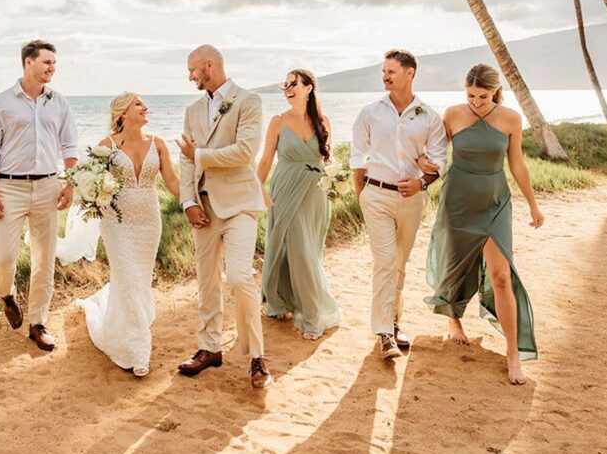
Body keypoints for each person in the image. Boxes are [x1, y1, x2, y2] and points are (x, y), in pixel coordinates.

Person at [422, 63, 544, 385]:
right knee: (455, 265)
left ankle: (513, 354)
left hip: (494, 203)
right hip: (458, 200)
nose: (476, 101)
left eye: (482, 96)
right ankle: (453, 322)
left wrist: (532, 204)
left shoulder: (511, 119)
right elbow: (436, 154)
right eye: (470, 95)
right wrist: (424, 166)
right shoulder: (452, 115)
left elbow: (516, 163)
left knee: (502, 275)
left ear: (495, 91)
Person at [176, 45, 273, 389]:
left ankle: (257, 357)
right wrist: (188, 201)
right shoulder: (192, 111)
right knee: (206, 280)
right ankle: (209, 347)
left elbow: (246, 152)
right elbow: (186, 163)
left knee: (238, 277)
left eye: (192, 70)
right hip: (203, 207)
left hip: (240, 205)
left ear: (209, 65)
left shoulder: (249, 101)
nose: (189, 77)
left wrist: (200, 154)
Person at [0, 40, 78, 351]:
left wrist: (70, 183)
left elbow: (70, 146)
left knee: (44, 258)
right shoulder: (2, 103)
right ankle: (6, 293)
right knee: (5, 256)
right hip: (10, 187)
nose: (52, 67)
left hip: (48, 186)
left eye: (54, 63)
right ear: (28, 63)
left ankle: (38, 323)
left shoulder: (58, 102)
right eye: (46, 62)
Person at [351, 49, 448, 359]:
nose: (385, 76)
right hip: (376, 195)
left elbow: (439, 163)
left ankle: (394, 324)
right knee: (385, 261)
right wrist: (362, 195)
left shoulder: (429, 116)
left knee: (400, 264)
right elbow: (357, 157)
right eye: (383, 71)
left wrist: (421, 181)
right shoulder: (369, 112)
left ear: (410, 73)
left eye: (391, 71)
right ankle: (384, 335)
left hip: (411, 199)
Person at [76, 93, 181, 378]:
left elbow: (171, 180)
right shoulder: (106, 146)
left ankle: (128, 326)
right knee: (127, 275)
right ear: (123, 112)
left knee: (139, 278)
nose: (146, 107)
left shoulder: (157, 143)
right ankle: (137, 350)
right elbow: (90, 184)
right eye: (139, 104)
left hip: (149, 220)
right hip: (116, 222)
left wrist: (192, 203)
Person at [257, 69, 341, 341]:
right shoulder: (277, 122)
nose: (288, 88)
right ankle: (310, 314)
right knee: (293, 248)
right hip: (285, 190)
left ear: (308, 88)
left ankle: (283, 302)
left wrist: (335, 181)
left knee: (309, 251)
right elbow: (266, 160)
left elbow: (328, 160)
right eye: (285, 85)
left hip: (315, 194)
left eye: (294, 84)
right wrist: (255, 189)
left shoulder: (323, 120)